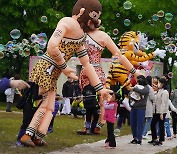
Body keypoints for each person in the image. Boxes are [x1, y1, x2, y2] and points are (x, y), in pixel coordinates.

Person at [20, 0, 113, 147]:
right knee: (45, 105)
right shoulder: (67, 22)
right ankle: (27, 135)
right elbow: (52, 46)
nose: (96, 21)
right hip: (47, 67)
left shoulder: (81, 37)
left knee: (50, 108)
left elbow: (87, 64)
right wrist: (64, 67)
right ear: (82, 12)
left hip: (54, 71)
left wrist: (100, 89)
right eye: (94, 15)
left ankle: (37, 136)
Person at [148, 78, 169, 146]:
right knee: (153, 124)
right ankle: (154, 138)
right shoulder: (159, 91)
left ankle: (161, 140)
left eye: (159, 83)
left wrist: (162, 113)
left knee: (161, 125)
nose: (158, 84)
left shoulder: (165, 92)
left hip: (161, 111)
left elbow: (163, 103)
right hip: (156, 111)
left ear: (162, 84)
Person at [129, 75, 149, 145]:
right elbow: (130, 94)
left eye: (138, 79)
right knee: (133, 123)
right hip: (133, 107)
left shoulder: (146, 87)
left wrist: (134, 89)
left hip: (141, 108)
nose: (137, 81)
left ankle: (139, 138)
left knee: (140, 123)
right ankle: (134, 137)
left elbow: (144, 92)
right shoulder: (136, 86)